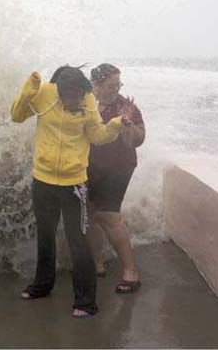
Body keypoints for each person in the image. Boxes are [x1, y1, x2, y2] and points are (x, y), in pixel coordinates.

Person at [10, 66, 131, 318]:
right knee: (45, 235)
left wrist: (117, 124)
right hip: (42, 180)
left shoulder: (87, 99)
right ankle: (41, 286)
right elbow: (16, 115)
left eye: (80, 95)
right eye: (71, 96)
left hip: (75, 183)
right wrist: (28, 89)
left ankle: (86, 302)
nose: (77, 101)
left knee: (79, 241)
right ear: (59, 91)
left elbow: (97, 136)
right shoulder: (44, 94)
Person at [87, 63, 145, 294]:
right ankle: (96, 263)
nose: (116, 89)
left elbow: (138, 140)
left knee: (108, 215)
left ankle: (131, 272)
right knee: (90, 213)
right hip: (89, 167)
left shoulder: (126, 106)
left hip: (119, 167)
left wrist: (128, 125)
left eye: (118, 84)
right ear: (96, 85)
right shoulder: (86, 102)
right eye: (111, 85)